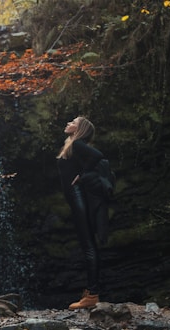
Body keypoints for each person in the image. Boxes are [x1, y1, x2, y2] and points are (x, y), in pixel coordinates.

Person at [57, 116, 109, 310]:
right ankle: (90, 292)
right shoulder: (72, 146)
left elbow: (98, 155)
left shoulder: (77, 144)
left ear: (80, 129)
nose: (68, 122)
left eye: (73, 122)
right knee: (89, 246)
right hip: (76, 199)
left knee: (89, 246)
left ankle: (92, 294)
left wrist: (82, 175)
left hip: (79, 198)